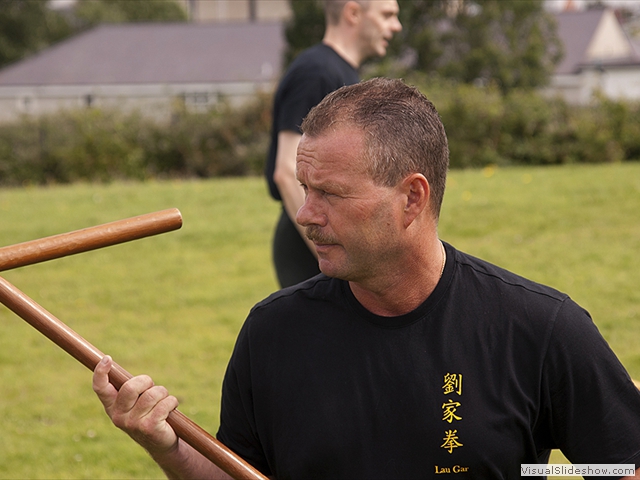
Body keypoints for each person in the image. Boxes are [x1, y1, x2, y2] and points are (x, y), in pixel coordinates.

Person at [93, 78, 640, 479]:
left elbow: (624, 467)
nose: (305, 214)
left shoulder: (539, 328)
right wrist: (168, 447)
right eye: (305, 188)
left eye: (329, 193)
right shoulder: (273, 332)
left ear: (411, 198)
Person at [265, 0, 402, 288]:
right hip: (313, 246)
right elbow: (286, 171)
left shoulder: (342, 74)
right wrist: (330, 255)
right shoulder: (316, 73)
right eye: (387, 15)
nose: (395, 26)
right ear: (353, 12)